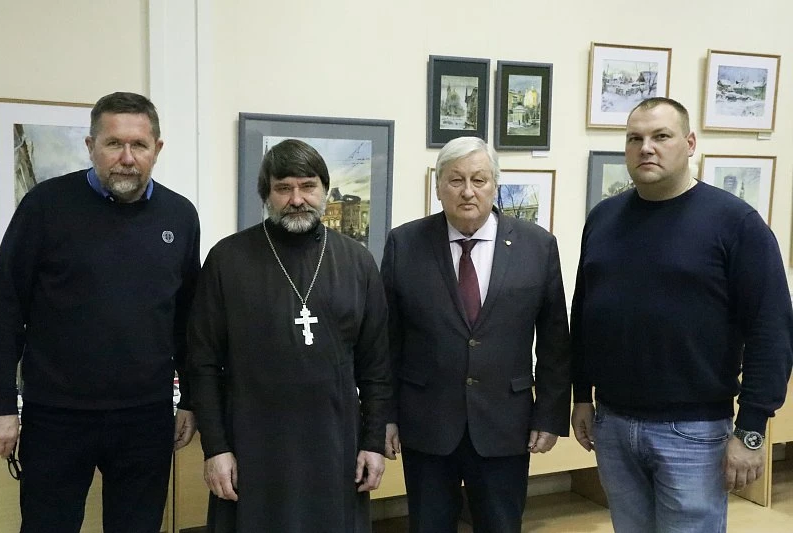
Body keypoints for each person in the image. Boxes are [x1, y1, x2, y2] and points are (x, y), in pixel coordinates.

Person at [570, 97, 793, 533]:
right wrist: (581, 394)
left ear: (689, 143)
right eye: (635, 139)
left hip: (694, 433)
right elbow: (585, 313)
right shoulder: (603, 218)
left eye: (661, 136)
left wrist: (751, 429)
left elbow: (771, 330)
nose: (646, 148)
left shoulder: (736, 223)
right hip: (612, 424)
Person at [0, 91, 201, 533]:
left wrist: (191, 399)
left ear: (157, 149)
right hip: (57, 415)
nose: (127, 158)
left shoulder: (180, 216)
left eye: (139, 145)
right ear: (91, 146)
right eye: (113, 143)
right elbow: (3, 306)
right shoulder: (45, 206)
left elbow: (187, 318)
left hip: (145, 417)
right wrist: (0, 404)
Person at [186, 139, 391, 532]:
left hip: (335, 445)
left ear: (324, 189)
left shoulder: (358, 262)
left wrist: (372, 441)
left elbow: (376, 366)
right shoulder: (227, 259)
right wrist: (216, 448)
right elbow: (203, 363)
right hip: (252, 445)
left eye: (308, 186)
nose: (297, 199)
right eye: (283, 188)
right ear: (266, 195)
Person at [381, 136, 571, 533]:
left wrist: (550, 414)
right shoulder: (405, 243)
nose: (468, 191)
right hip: (427, 422)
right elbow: (387, 340)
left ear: (494, 185)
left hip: (506, 423)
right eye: (456, 180)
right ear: (438, 187)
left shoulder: (537, 246)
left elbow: (555, 341)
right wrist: (384, 416)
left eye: (479, 180)